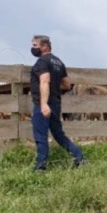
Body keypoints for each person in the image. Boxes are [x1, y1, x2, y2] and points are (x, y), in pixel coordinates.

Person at [29, 35, 84, 171]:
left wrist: (43, 104)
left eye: (35, 45)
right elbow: (67, 84)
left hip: (44, 105)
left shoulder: (42, 61)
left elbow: (44, 81)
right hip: (56, 103)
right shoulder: (58, 62)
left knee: (40, 136)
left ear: (44, 46)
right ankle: (80, 159)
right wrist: (55, 87)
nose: (32, 48)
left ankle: (40, 167)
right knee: (59, 135)